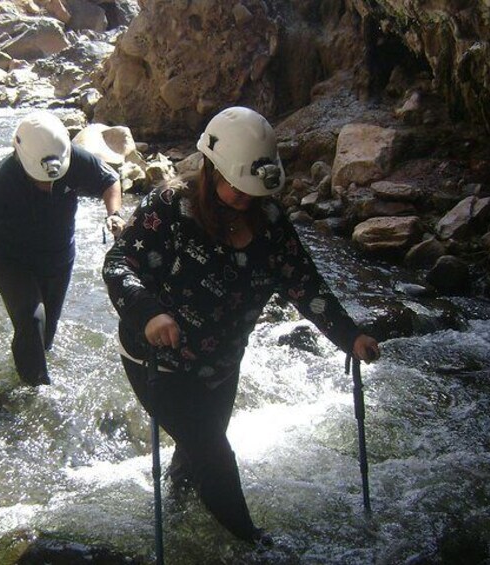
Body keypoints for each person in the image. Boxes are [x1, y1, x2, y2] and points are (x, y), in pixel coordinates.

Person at [102, 106, 380, 543]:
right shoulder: (170, 205)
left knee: (198, 445)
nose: (245, 199)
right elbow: (119, 263)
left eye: (254, 191)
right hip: (159, 360)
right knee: (212, 450)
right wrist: (149, 312)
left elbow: (304, 284)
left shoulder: (269, 223)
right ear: (212, 171)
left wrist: (350, 336)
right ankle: (251, 542)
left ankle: (178, 511)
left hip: (222, 364)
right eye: (236, 188)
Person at [0, 110, 125, 385]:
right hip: (10, 261)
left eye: (53, 177)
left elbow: (110, 181)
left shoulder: (73, 158)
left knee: (44, 338)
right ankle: (35, 392)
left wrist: (114, 214)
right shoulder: (2, 181)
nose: (48, 183)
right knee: (32, 320)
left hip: (59, 259)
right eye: (39, 177)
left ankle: (30, 374)